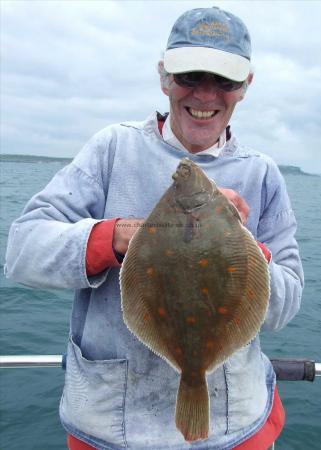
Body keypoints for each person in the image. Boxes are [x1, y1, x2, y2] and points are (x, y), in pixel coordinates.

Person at [5, 6, 303, 450]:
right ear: (164, 77)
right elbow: (21, 251)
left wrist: (240, 250)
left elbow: (285, 305)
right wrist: (117, 237)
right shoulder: (112, 148)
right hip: (109, 429)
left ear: (246, 86)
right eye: (189, 76)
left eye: (224, 80)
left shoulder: (262, 174)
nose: (205, 95)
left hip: (236, 428)